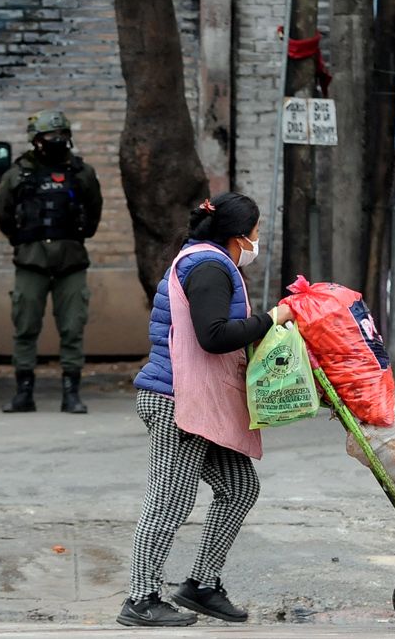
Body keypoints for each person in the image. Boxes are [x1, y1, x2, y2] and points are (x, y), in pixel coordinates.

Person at [118, 192, 293, 628]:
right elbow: (213, 335)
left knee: (239, 489)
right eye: (256, 231)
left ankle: (202, 584)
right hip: (175, 400)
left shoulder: (209, 261)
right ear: (238, 236)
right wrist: (274, 318)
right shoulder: (210, 268)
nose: (258, 239)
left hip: (200, 399)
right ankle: (141, 599)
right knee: (169, 502)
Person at [0, 109, 103, 414]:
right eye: (49, 136)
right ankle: (23, 392)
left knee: (72, 328)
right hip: (30, 261)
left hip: (71, 261)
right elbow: (5, 216)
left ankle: (71, 392)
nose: (57, 141)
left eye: (61, 135)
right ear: (36, 140)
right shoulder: (17, 174)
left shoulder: (81, 173)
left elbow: (93, 211)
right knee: (25, 326)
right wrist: (24, 240)